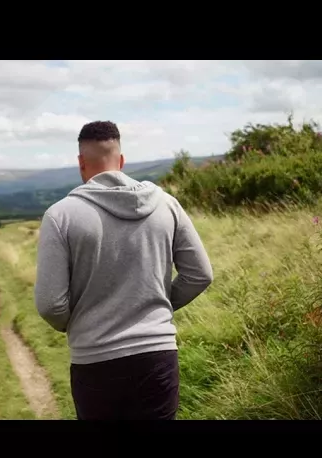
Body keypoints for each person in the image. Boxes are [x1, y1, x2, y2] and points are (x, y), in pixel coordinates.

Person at [34, 120, 213, 420]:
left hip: (95, 359)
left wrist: (80, 323)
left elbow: (50, 304)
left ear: (81, 162)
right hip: (158, 354)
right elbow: (200, 274)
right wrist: (157, 307)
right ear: (122, 160)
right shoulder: (167, 205)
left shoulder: (60, 215)